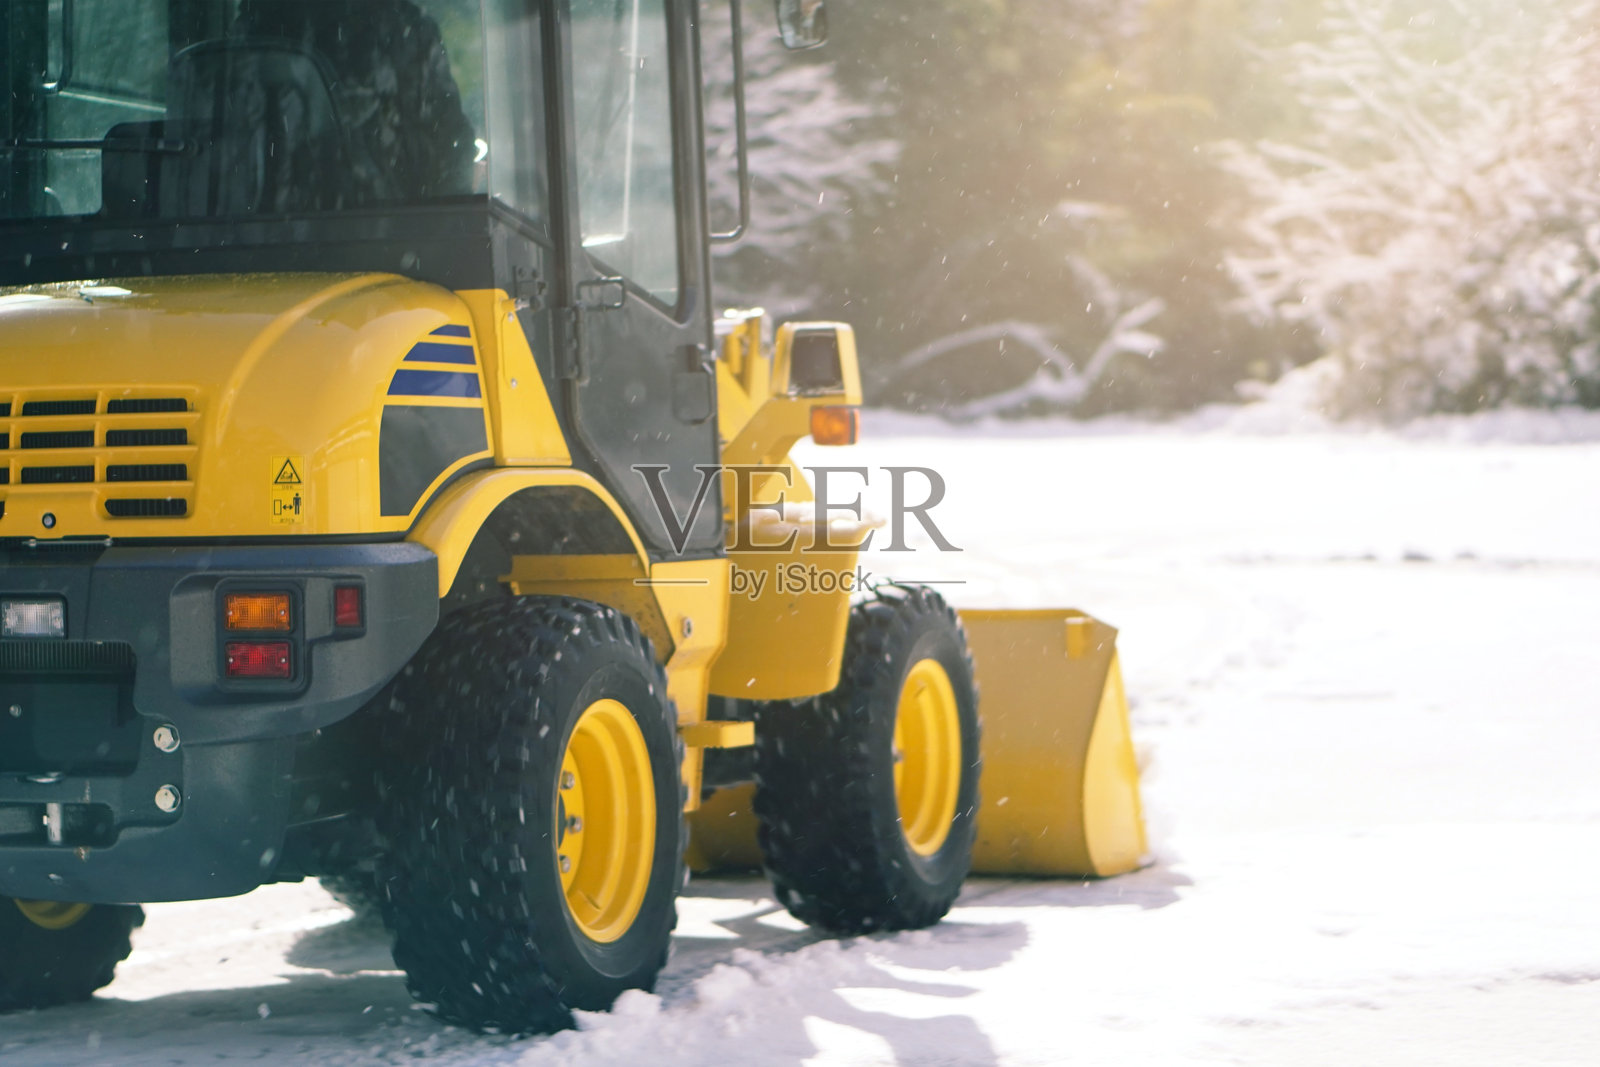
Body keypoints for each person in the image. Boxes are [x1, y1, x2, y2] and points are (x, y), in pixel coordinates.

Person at [231, 0, 477, 202]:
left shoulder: (411, 31)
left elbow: (453, 141)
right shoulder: (262, 26)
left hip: (390, 235)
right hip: (277, 236)